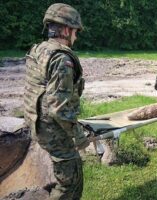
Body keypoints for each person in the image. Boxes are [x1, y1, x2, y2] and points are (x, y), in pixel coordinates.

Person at [24, 3, 89, 199]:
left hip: (38, 124)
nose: (76, 37)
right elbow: (58, 107)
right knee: (70, 183)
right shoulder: (61, 58)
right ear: (67, 30)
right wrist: (79, 135)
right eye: (76, 32)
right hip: (52, 129)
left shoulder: (39, 49)